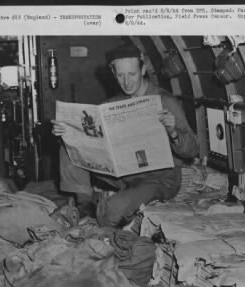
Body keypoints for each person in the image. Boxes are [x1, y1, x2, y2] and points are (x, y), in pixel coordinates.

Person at [51, 43, 199, 228]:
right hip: (124, 173)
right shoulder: (112, 104)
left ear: (143, 69)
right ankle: (85, 204)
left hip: (159, 178)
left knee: (112, 210)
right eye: (120, 75)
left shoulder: (164, 101)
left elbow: (193, 149)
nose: (126, 82)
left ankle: (109, 215)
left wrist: (173, 132)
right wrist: (67, 133)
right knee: (67, 148)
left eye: (132, 74)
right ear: (113, 74)